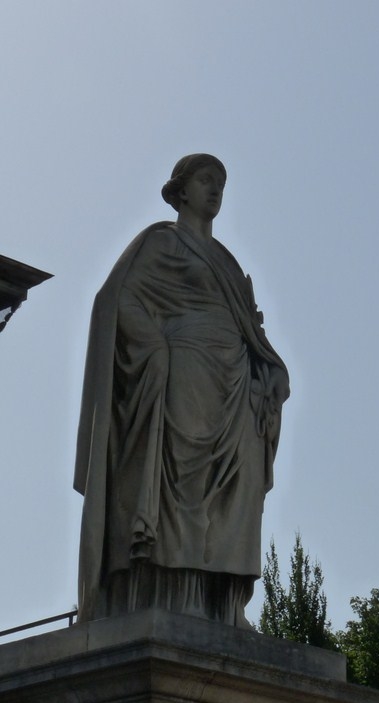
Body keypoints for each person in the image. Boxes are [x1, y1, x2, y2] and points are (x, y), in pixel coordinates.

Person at [74, 154, 289, 627]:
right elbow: (117, 300)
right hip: (183, 375)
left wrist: (272, 368)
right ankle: (176, 596)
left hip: (237, 387)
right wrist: (154, 349)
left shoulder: (228, 263)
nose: (215, 190)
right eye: (205, 180)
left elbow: (251, 329)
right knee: (184, 487)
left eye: (221, 183)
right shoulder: (159, 243)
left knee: (238, 491)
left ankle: (223, 605)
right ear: (181, 189)